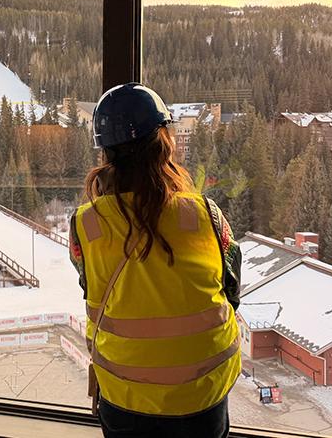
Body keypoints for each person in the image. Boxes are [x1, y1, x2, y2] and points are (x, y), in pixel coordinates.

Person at [68, 83, 241, 437]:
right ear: (164, 142)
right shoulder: (206, 215)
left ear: (105, 152)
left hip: (124, 389)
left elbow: (91, 286)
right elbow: (232, 289)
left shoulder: (84, 225)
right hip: (203, 389)